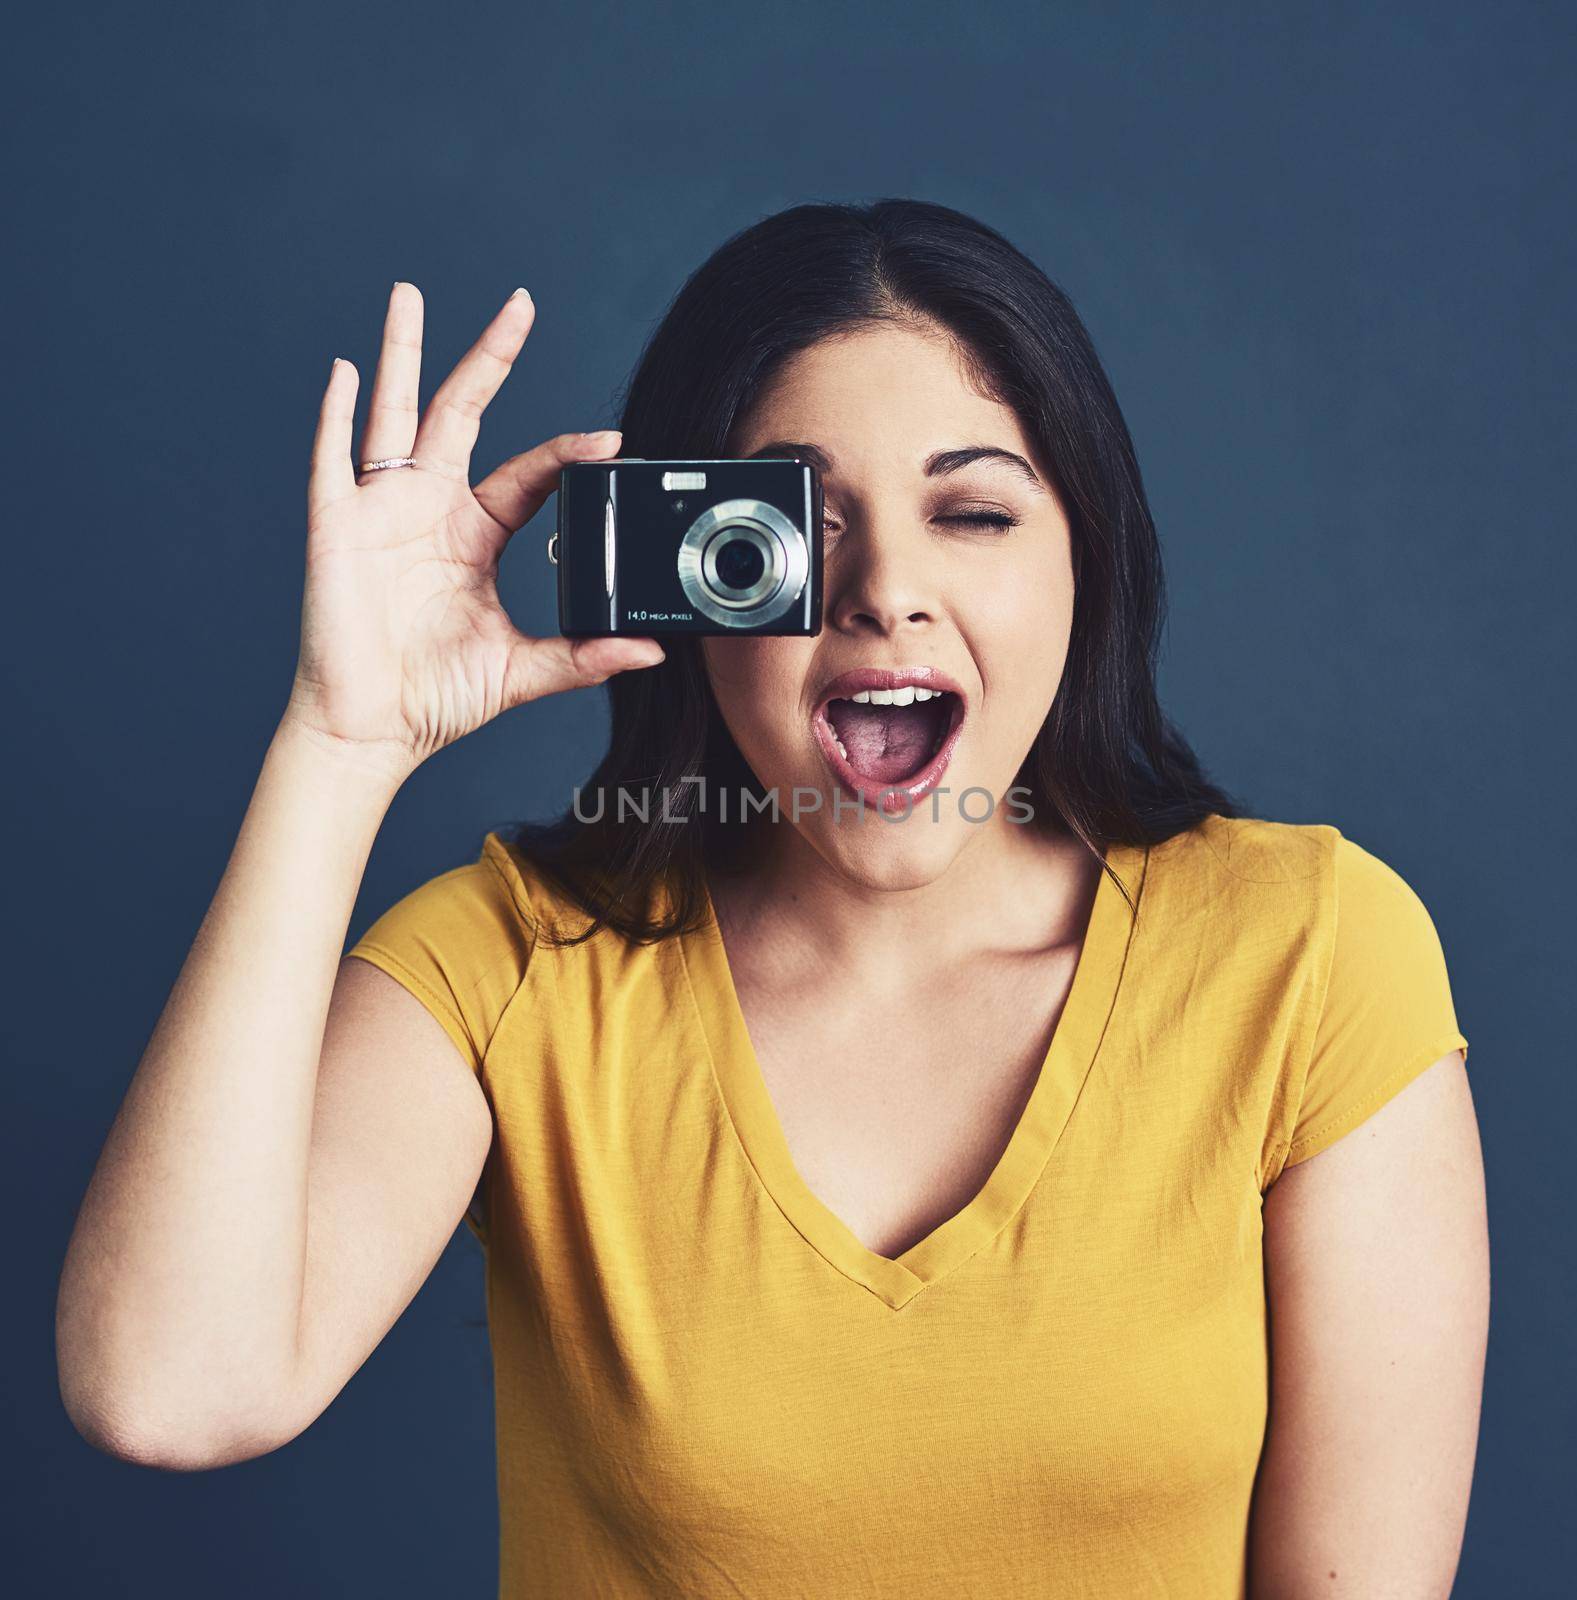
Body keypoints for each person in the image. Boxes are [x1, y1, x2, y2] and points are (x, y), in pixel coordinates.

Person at [55, 199, 1489, 1597]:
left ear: (1085, 563)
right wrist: (339, 743)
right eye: (791, 527)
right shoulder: (516, 968)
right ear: (684, 579)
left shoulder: (1310, 959)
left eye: (973, 511)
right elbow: (171, 1392)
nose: (886, 591)